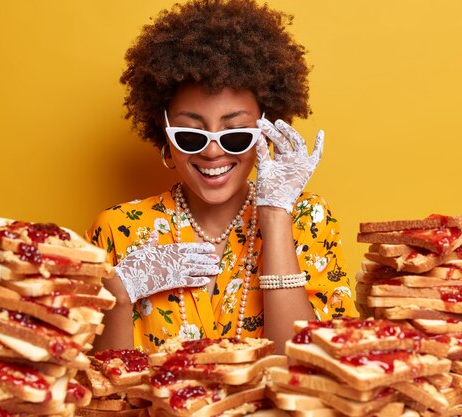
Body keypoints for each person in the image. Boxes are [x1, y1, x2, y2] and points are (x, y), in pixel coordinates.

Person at [85, 0, 354, 354]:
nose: (213, 152)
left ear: (266, 131)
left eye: (236, 134)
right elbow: (104, 390)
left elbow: (309, 369)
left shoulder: (306, 219)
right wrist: (118, 292)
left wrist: (275, 213)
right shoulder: (118, 229)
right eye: (192, 135)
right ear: (165, 137)